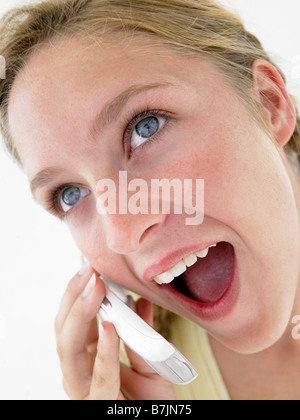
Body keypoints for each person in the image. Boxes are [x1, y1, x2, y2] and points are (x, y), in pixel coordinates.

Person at [1, 0, 300, 400]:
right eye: (71, 195)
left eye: (145, 127)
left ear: (269, 104)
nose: (122, 233)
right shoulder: (138, 383)